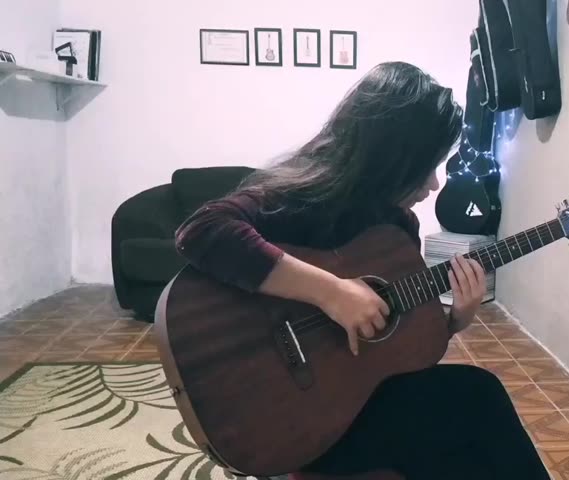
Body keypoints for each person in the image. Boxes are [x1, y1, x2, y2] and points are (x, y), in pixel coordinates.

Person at [174, 62, 550, 480]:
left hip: (354, 400)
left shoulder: (396, 226)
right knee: (477, 404)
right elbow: (201, 231)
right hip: (296, 420)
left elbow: (395, 350)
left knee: (470, 420)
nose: (433, 185)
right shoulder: (297, 198)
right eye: (427, 166)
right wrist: (331, 293)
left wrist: (454, 320)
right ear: (391, 158)